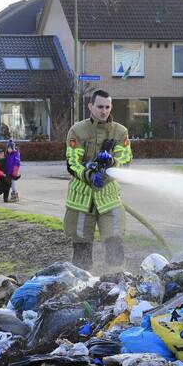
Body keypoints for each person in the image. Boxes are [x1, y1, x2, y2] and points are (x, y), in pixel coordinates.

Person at [64, 89, 133, 270]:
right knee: (82, 249)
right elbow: (72, 163)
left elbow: (125, 160)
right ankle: (81, 285)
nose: (104, 111)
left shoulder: (120, 132)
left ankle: (117, 282)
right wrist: (90, 174)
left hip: (109, 199)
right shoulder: (77, 131)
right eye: (100, 106)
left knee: (114, 244)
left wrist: (112, 162)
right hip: (81, 201)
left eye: (107, 107)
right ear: (90, 106)